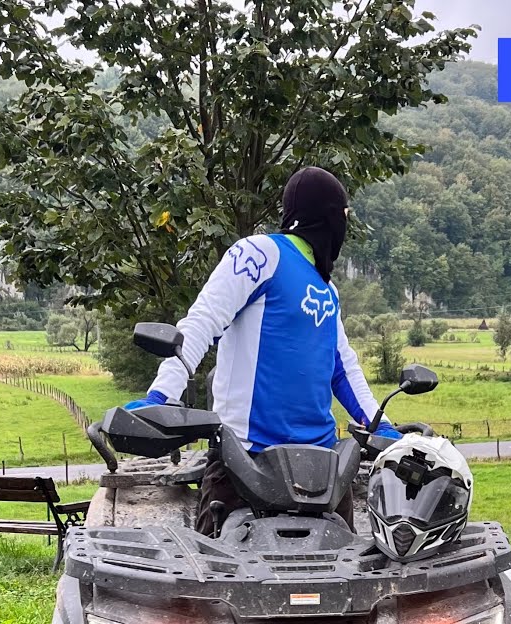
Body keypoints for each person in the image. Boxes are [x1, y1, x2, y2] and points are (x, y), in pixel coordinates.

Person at [124, 167, 400, 535]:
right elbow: (202, 322)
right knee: (213, 570)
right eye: (343, 215)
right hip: (246, 462)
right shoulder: (259, 253)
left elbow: (342, 368)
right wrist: (160, 396)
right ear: (329, 217)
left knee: (348, 568)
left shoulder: (328, 290)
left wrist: (383, 427)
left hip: (324, 469)